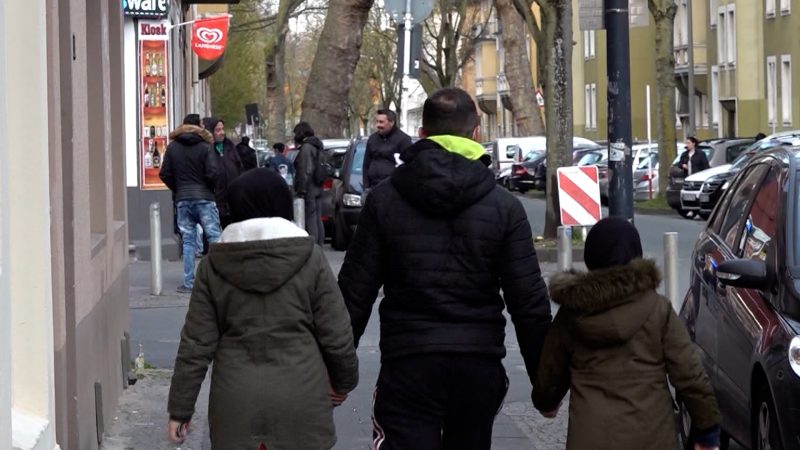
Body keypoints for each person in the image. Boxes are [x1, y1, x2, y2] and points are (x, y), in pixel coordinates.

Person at [338, 88, 552, 449]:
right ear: (476, 132)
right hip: (478, 362)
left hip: (408, 360)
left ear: (422, 134)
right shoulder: (504, 207)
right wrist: (545, 385)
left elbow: (355, 291)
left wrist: (337, 373)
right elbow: (528, 302)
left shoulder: (385, 200)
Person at [166, 167, 359, 450]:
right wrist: (343, 383)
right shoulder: (310, 258)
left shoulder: (213, 265)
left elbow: (196, 344)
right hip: (302, 397)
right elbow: (337, 333)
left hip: (235, 403)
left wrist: (180, 409)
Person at [532, 216, 721, 450]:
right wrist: (707, 429)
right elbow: (689, 374)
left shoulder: (571, 316)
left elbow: (549, 376)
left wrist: (546, 402)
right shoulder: (657, 309)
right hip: (652, 437)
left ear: (591, 258)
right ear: (637, 256)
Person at [159, 113, 220, 293]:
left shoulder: (172, 148)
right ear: (199, 126)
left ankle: (188, 283)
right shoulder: (205, 147)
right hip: (204, 198)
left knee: (188, 241)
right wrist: (210, 188)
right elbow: (212, 173)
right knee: (214, 237)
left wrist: (178, 188)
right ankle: (218, 280)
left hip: (182, 199)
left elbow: (164, 174)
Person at [204, 117, 243, 230]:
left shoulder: (229, 146)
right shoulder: (206, 149)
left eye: (222, 129)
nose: (222, 133)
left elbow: (239, 167)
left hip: (232, 198)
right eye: (218, 130)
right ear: (210, 132)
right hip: (215, 200)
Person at [292, 122, 325, 245]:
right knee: (317, 218)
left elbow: (305, 170)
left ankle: (313, 245)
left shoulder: (306, 148)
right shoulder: (317, 145)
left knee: (310, 218)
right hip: (318, 185)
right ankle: (319, 245)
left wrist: (301, 190)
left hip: (309, 187)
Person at [362, 109, 412, 190]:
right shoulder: (372, 139)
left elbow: (409, 168)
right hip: (373, 187)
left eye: (381, 122)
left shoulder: (404, 140)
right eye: (377, 121)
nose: (378, 125)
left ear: (391, 123)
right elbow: (366, 164)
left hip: (393, 190)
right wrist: (366, 187)